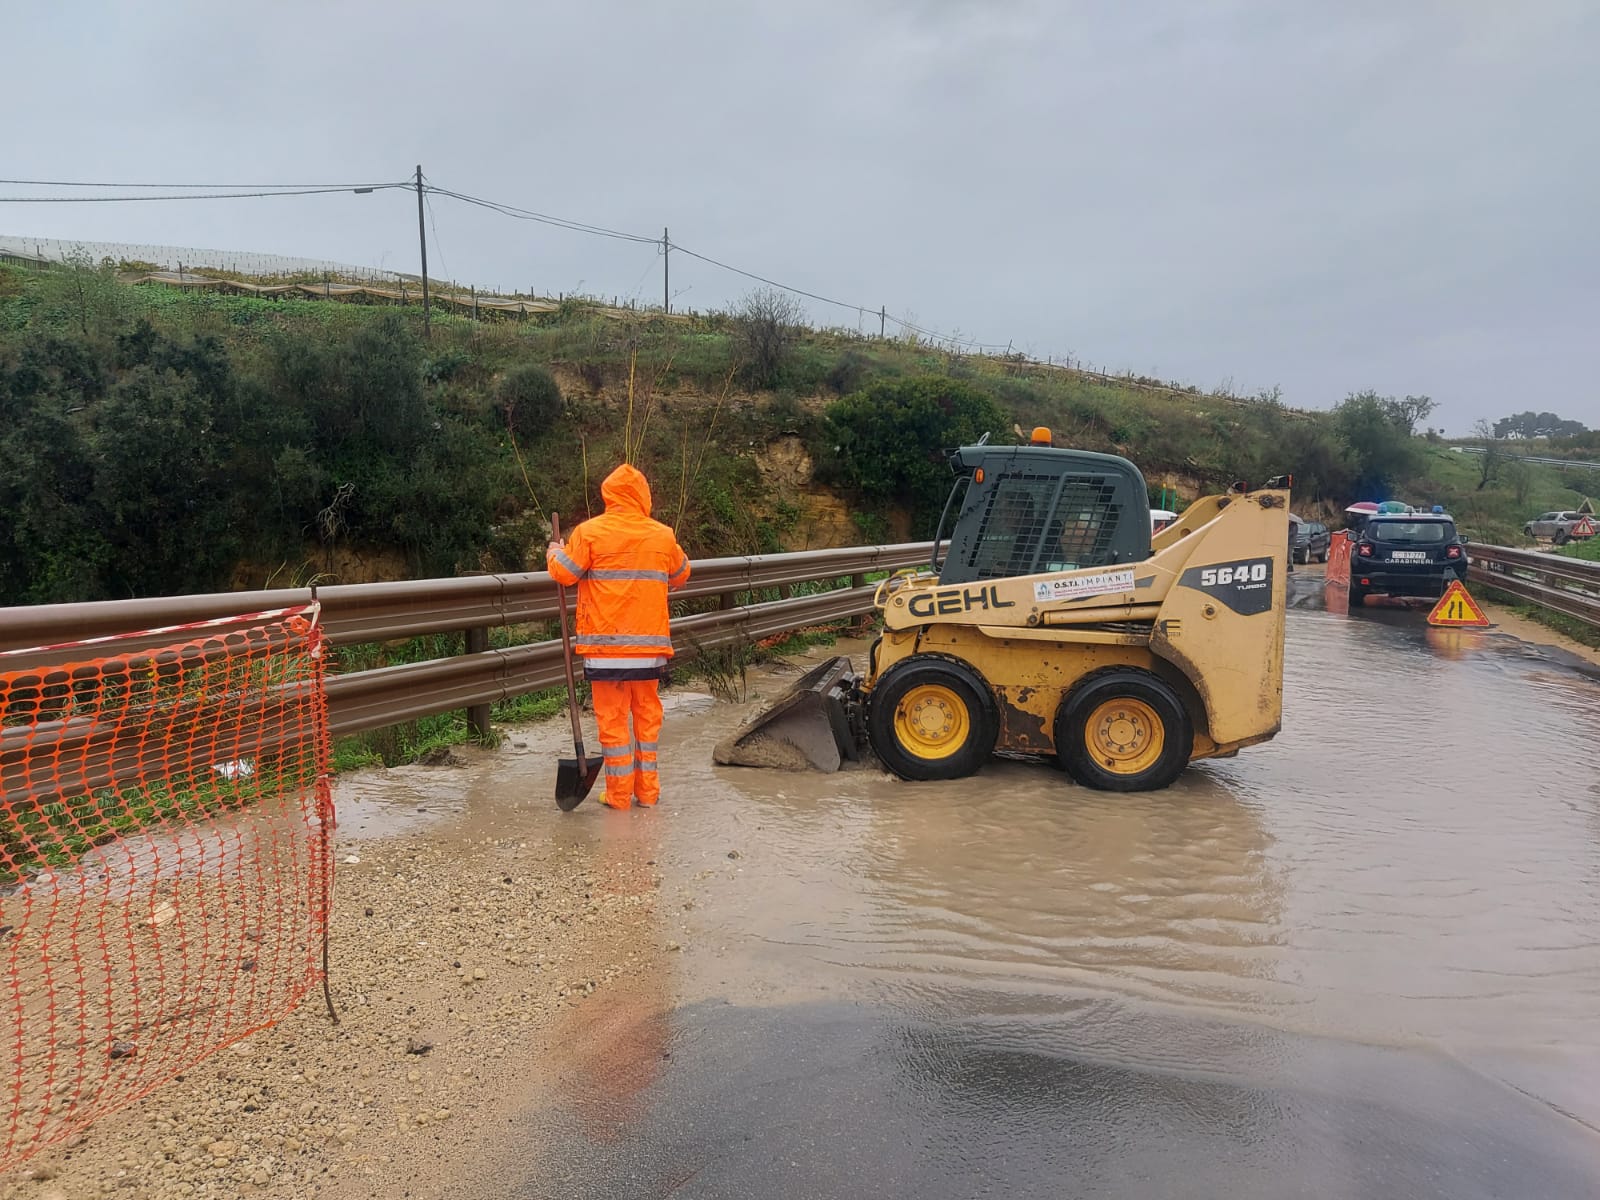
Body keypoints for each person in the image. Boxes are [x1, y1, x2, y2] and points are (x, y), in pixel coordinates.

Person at [547, 464, 691, 810]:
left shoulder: (590, 532)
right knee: (647, 719)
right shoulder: (662, 534)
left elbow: (564, 573)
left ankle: (619, 795)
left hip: (606, 650)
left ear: (608, 495)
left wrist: (554, 551)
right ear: (644, 496)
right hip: (649, 650)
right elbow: (682, 573)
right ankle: (648, 792)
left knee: (613, 723)